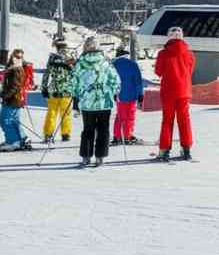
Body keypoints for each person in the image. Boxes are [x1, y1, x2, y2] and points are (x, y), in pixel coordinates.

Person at [70, 36, 120, 167]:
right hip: (104, 101)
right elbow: (115, 79)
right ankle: (100, 157)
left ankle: (86, 156)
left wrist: (76, 96)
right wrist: (114, 92)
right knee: (103, 129)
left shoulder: (80, 63)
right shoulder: (105, 62)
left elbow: (73, 82)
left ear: (85, 47)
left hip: (88, 102)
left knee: (88, 129)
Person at [154, 27, 196, 161]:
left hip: (169, 91)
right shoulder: (189, 54)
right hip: (184, 90)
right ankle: (186, 149)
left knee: (167, 120)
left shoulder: (163, 53)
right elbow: (190, 71)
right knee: (184, 120)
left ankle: (164, 150)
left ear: (169, 37)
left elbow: (158, 71)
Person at [0, 49, 35, 152]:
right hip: (16, 99)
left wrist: (4, 95)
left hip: (13, 99)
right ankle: (21, 138)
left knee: (5, 121)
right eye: (15, 56)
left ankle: (13, 141)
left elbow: (15, 86)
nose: (16, 59)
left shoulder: (17, 69)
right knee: (14, 121)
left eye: (19, 57)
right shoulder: (12, 68)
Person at [41, 38, 76, 143]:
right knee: (66, 113)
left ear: (57, 47)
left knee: (52, 113)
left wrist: (44, 88)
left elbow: (46, 74)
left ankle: (48, 134)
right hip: (67, 91)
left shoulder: (52, 59)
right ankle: (66, 134)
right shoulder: (70, 59)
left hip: (54, 90)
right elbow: (75, 75)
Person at [111, 46, 145, 145]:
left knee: (120, 116)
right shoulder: (133, 64)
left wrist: (113, 93)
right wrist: (140, 94)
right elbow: (138, 81)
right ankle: (127, 136)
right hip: (131, 94)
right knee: (130, 116)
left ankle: (117, 137)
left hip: (118, 95)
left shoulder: (113, 65)